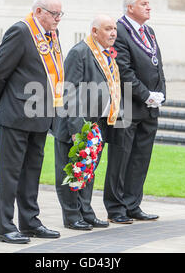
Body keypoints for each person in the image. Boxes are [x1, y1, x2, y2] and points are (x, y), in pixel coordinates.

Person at [0, 0, 64, 244]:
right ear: (39, 11)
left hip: (41, 114)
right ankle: (5, 226)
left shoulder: (51, 34)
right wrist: (5, 102)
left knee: (32, 172)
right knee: (10, 174)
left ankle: (30, 221)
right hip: (17, 114)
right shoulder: (20, 31)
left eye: (60, 14)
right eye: (54, 14)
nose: (58, 19)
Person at [103, 0, 166, 224]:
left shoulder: (148, 31)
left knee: (141, 157)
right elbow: (123, 70)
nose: (149, 7)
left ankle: (132, 203)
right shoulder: (118, 30)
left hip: (149, 107)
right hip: (127, 105)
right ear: (130, 8)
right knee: (121, 157)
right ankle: (116, 206)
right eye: (144, 4)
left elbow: (157, 64)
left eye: (149, 3)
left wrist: (161, 94)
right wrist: (145, 94)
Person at [54, 14, 121, 230]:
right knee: (72, 170)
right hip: (76, 124)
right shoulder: (80, 52)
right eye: (108, 29)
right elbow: (69, 91)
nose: (113, 33)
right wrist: (76, 128)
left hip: (96, 123)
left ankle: (86, 211)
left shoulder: (106, 54)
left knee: (88, 169)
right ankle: (72, 215)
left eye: (114, 29)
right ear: (94, 32)